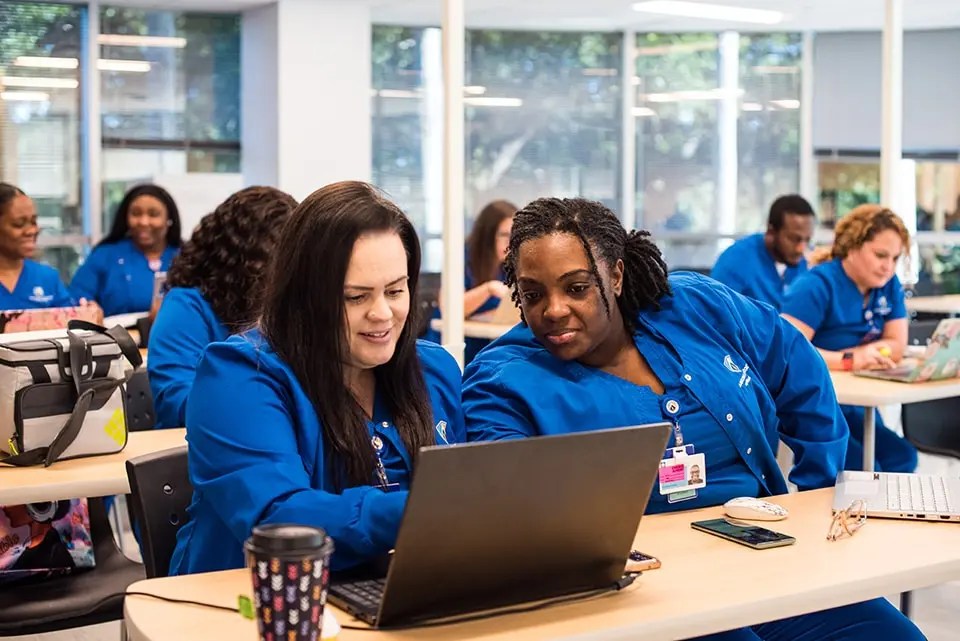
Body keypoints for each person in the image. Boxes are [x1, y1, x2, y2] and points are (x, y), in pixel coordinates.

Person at [462, 197, 923, 641]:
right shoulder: (502, 379)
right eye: (533, 293)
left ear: (616, 275)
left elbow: (797, 366)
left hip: (768, 557)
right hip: (646, 594)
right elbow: (506, 508)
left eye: (577, 287)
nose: (554, 309)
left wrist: (818, 490)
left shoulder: (692, 306)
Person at [169, 181, 465, 575]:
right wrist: (430, 510)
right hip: (251, 607)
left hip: (393, 593)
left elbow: (472, 483)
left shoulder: (434, 370)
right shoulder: (239, 376)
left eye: (395, 291)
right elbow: (278, 519)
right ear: (303, 296)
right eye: (355, 297)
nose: (382, 314)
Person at [147, 186, 298, 429]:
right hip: (194, 449)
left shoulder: (286, 307)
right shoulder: (185, 307)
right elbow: (176, 403)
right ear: (240, 257)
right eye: (278, 257)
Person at [781, 204, 917, 473]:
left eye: (895, 258)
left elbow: (896, 343)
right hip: (816, 404)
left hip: (860, 402)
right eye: (880, 255)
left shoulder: (888, 286)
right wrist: (850, 359)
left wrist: (874, 353)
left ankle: (883, 515)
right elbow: (787, 352)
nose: (887, 267)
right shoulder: (816, 285)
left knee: (903, 458)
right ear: (852, 247)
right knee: (864, 467)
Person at [70, 184, 182, 316]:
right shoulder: (105, 255)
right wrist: (88, 308)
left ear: (169, 219)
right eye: (136, 214)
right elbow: (75, 299)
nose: (144, 222)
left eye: (153, 214)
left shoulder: (186, 256)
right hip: (118, 334)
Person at [426, 200, 515, 363]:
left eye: (514, 235)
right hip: (451, 346)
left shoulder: (509, 266)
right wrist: (488, 289)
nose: (509, 243)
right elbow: (448, 309)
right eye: (503, 235)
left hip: (489, 347)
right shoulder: (462, 258)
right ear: (488, 236)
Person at [711, 194, 815, 310]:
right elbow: (716, 315)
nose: (801, 248)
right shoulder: (735, 262)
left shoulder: (805, 262)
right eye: (794, 239)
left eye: (807, 240)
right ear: (771, 232)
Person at [0, 183, 75, 310]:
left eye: (34, 222)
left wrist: (90, 314)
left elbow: (71, 322)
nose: (31, 231)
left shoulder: (47, 278)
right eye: (19, 224)